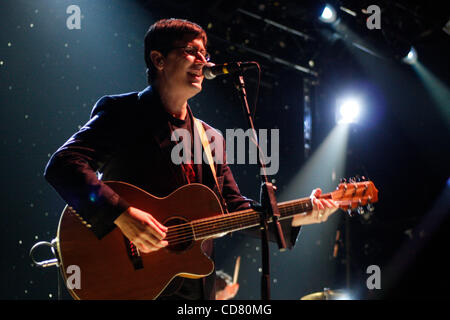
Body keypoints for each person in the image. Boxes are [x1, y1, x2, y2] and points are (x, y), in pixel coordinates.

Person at [44, 18, 338, 300]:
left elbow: (232, 209)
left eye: (205, 53)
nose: (204, 61)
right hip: (130, 283)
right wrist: (122, 215)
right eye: (191, 51)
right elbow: (64, 165)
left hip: (193, 288)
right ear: (158, 59)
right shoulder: (122, 113)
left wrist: (298, 215)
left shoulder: (210, 138)